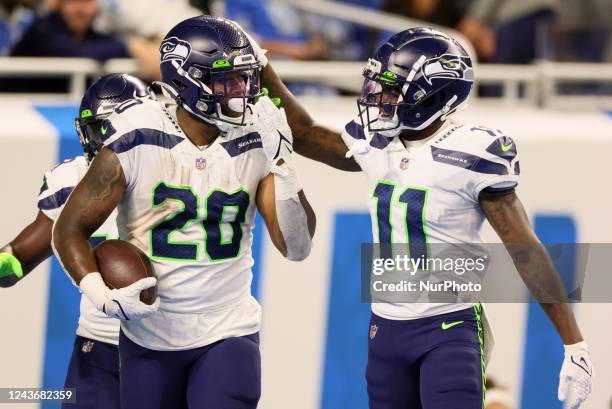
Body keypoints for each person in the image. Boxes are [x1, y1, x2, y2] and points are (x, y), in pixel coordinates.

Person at [259, 27, 593, 409]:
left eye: (392, 88)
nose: (377, 98)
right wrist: (263, 66)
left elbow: (526, 251)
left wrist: (574, 342)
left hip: (447, 328)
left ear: (430, 94)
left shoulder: (472, 150)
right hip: (384, 329)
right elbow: (302, 132)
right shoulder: (377, 141)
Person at [53, 15, 316, 409]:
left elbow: (296, 247)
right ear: (185, 81)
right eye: (227, 79)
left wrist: (284, 165)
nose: (241, 91)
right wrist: (99, 294)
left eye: (245, 78)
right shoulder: (136, 136)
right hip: (149, 334)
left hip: (228, 329)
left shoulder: (257, 135)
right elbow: (69, 230)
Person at [0, 73, 155, 409]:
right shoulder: (70, 180)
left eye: (118, 128)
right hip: (98, 345)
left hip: (168, 344)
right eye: (101, 130)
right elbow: (18, 259)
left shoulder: (177, 169)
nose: (109, 141)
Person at [11, 0, 129, 61]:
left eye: (87, 1)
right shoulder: (42, 29)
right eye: (72, 0)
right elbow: (77, 54)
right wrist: (129, 47)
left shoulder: (93, 35)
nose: (80, 9)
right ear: (58, 4)